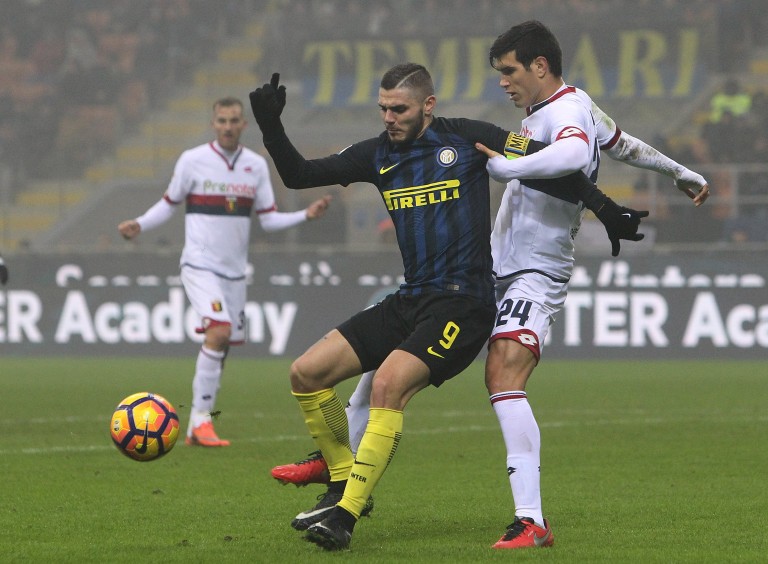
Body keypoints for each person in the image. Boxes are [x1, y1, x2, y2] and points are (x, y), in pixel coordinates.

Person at [269, 22, 710, 550]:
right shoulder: (566, 110)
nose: (502, 82)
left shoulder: (561, 115)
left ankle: (531, 520)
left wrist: (511, 170)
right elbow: (623, 144)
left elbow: (570, 158)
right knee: (368, 380)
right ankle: (340, 474)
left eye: (509, 71)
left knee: (501, 375)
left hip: (532, 271)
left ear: (539, 66)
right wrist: (678, 173)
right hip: (488, 268)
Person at [118, 96, 332, 447]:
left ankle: (196, 428)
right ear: (213, 123)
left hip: (234, 273)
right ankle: (201, 423)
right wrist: (140, 224)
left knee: (224, 344)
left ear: (243, 125)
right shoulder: (193, 161)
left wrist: (304, 216)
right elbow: (169, 203)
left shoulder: (256, 165)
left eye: (234, 120)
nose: (228, 127)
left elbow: (268, 219)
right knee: (218, 332)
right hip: (200, 264)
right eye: (222, 121)